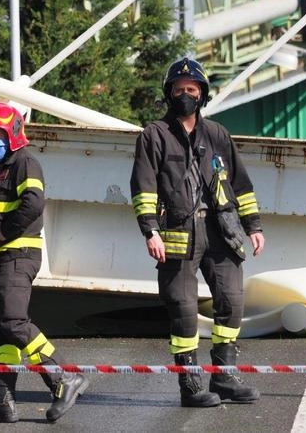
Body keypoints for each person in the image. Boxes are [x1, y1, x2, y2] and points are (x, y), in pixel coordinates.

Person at [130, 57, 266, 407]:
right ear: (169, 94)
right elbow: (143, 187)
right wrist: (150, 231)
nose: (185, 95)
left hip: (221, 230)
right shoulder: (154, 135)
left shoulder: (217, 134)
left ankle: (223, 377)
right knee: (184, 308)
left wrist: (253, 226)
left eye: (191, 90)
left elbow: (241, 184)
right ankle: (190, 385)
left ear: (202, 95)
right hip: (177, 234)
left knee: (232, 301)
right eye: (179, 90)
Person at [0, 102, 89, 423]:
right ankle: (0, 399)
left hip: (16, 256)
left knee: (13, 322)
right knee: (1, 328)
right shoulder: (1, 169)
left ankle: (63, 377)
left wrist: (4, 234)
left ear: (13, 133)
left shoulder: (25, 162)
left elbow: (34, 203)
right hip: (1, 260)